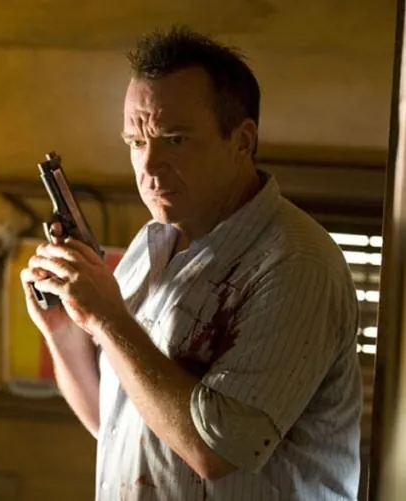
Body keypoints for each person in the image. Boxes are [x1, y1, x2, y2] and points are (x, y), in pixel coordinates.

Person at [20, 25, 362, 501]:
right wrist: (62, 330)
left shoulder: (297, 263)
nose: (149, 167)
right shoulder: (152, 244)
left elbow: (214, 450)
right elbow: (119, 426)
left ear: (242, 142)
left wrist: (108, 318)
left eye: (175, 140)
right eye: (136, 143)